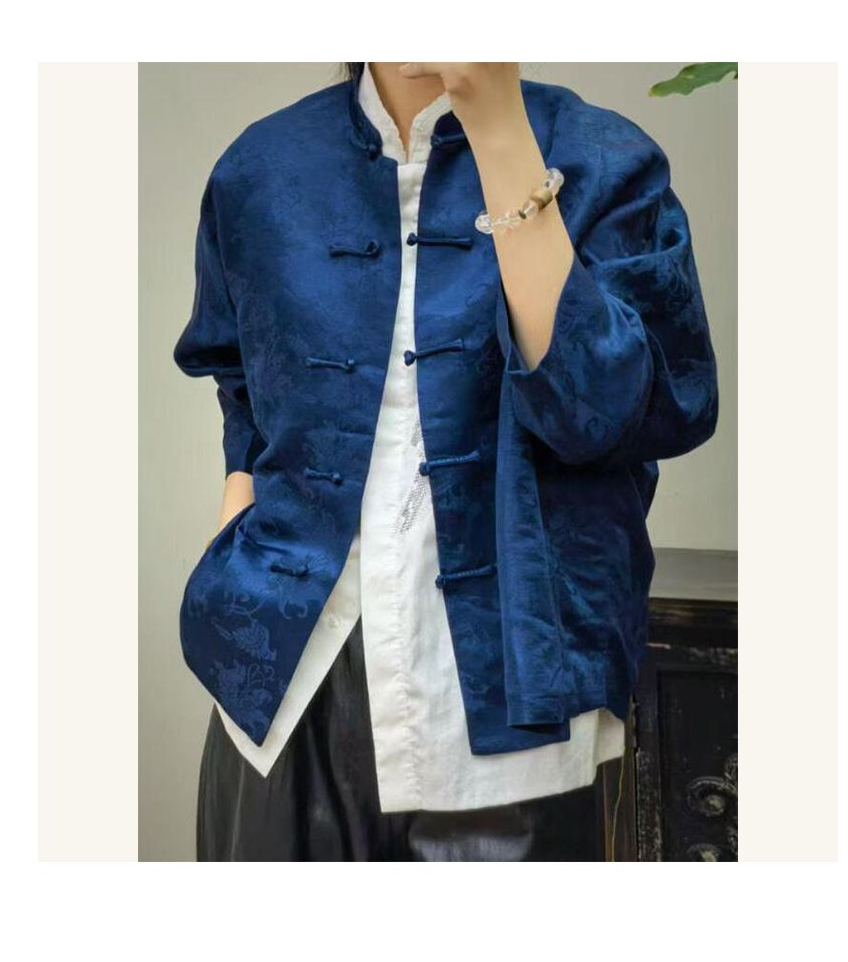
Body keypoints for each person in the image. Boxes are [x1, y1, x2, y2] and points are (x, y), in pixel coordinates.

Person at [174, 62, 718, 861]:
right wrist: (238, 514)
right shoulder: (260, 168)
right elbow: (242, 377)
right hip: (283, 690)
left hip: (516, 705)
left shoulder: (605, 160)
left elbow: (607, 414)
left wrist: (498, 128)